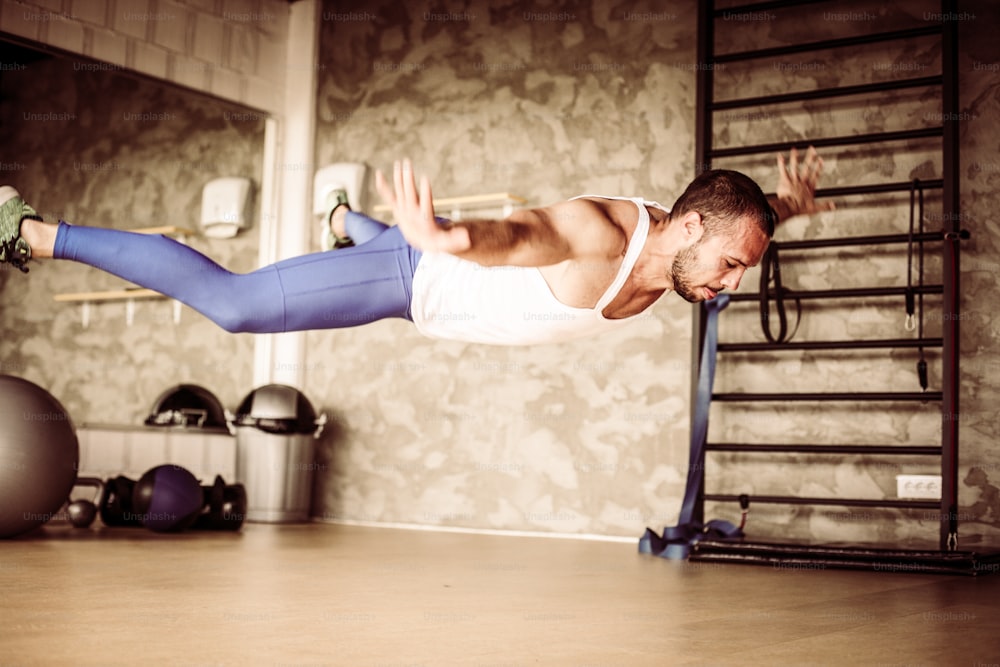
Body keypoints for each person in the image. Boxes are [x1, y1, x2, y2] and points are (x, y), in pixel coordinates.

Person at [0, 148, 831, 345]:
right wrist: (457, 237)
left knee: (385, 249)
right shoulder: (598, 233)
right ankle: (33, 230)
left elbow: (726, 225)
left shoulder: (692, 234)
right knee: (235, 306)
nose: (726, 285)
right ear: (687, 230)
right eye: (730, 266)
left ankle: (340, 220)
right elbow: (526, 235)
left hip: (423, 282)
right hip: (412, 273)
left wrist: (777, 212)